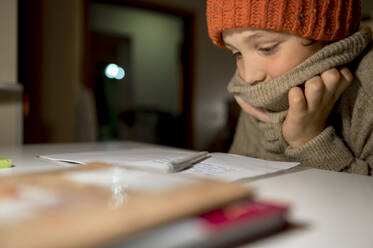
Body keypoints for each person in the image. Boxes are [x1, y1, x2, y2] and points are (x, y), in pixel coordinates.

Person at [206, 0, 373, 175]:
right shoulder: (255, 93)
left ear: (329, 35)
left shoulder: (367, 79)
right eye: (237, 53)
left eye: (267, 48)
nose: (248, 77)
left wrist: (307, 139)